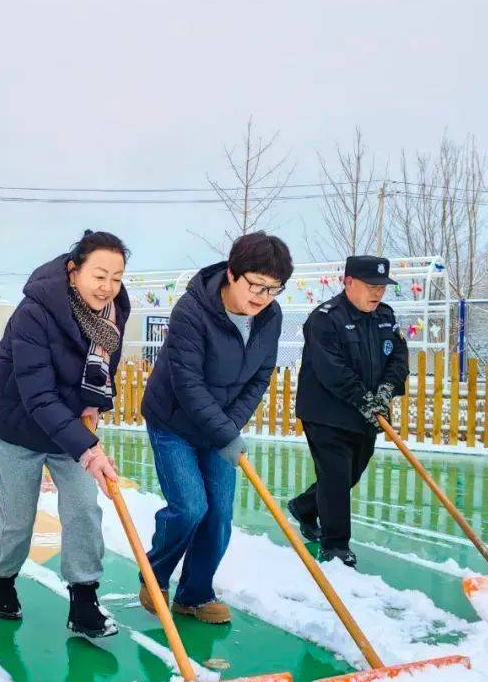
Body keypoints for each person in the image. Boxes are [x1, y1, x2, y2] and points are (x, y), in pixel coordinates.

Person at [0, 230, 129, 638]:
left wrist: (93, 407)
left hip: (71, 427)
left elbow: (103, 370)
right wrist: (88, 448)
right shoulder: (35, 312)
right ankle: (3, 579)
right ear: (73, 269)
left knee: (84, 508)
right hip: (18, 425)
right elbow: (38, 395)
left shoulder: (114, 311)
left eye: (116, 277)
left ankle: (84, 601)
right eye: (99, 275)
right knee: (17, 517)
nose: (108, 287)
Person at [139, 232, 293, 623]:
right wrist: (225, 433)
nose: (262, 297)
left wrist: (229, 426)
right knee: (191, 507)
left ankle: (194, 595)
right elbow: (187, 384)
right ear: (231, 273)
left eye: (273, 289)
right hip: (173, 420)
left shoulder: (270, 318)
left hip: (221, 424)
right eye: (255, 285)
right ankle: (155, 573)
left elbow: (260, 376)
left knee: (219, 515)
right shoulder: (192, 311)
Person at [288, 255, 410, 567]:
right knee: (336, 475)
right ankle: (336, 545)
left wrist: (386, 390)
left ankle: (304, 507)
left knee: (351, 473)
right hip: (326, 412)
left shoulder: (385, 316)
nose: (378, 293)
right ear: (349, 282)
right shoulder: (324, 319)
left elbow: (398, 356)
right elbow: (333, 370)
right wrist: (364, 399)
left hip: (365, 415)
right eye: (371, 286)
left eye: (382, 287)